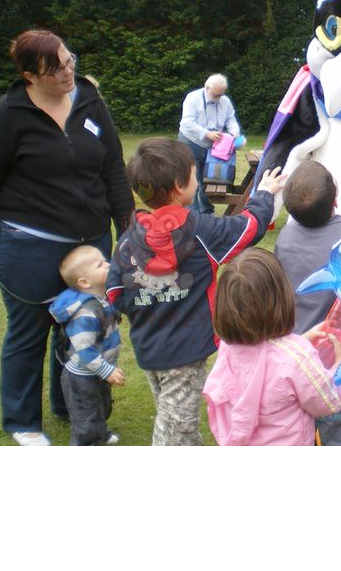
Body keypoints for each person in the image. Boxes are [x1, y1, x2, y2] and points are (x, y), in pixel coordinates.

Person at [0, 29, 134, 446]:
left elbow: (113, 167)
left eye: (68, 59)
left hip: (91, 242)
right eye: (56, 68)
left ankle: (71, 407)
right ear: (29, 75)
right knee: (29, 333)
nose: (68, 71)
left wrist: (127, 227)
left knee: (81, 328)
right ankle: (23, 423)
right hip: (29, 245)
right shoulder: (4, 116)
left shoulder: (89, 99)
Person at [106, 137, 284, 445]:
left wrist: (148, 302)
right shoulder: (203, 231)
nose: (198, 178)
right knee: (175, 427)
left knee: (175, 416)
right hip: (186, 353)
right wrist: (265, 195)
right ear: (179, 185)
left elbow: (115, 293)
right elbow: (249, 227)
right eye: (194, 172)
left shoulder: (129, 239)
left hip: (148, 347)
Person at [203, 248, 341, 446]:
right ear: (281, 296)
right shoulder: (296, 357)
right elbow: (328, 400)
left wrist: (302, 341)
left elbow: (264, 359)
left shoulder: (227, 349)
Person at [273, 160, 341, 445]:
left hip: (293, 353)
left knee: (298, 424)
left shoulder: (284, 238)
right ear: (336, 197)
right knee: (336, 425)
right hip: (334, 360)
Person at [50, 245, 124, 446]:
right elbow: (84, 351)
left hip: (97, 371)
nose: (108, 265)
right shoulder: (85, 315)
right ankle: (88, 441)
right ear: (84, 282)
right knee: (86, 414)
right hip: (82, 376)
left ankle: (100, 431)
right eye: (100, 264)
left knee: (101, 406)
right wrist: (107, 370)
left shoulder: (102, 298)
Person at [177, 73, 240, 214]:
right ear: (206, 88)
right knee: (192, 180)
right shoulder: (192, 98)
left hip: (212, 147)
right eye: (216, 95)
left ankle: (206, 211)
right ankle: (191, 214)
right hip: (190, 142)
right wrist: (207, 133)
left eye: (221, 95)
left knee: (207, 179)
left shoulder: (225, 101)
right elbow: (187, 123)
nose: (218, 98)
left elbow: (231, 119)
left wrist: (234, 133)